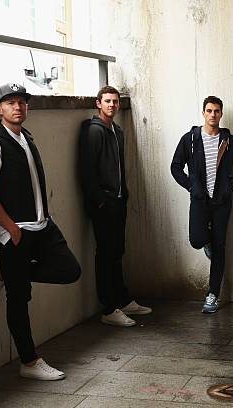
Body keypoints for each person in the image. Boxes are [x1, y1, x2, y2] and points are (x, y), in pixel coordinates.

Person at [0, 83, 81, 380]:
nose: (18, 106)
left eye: (22, 102)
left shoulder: (25, 137)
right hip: (13, 231)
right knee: (19, 299)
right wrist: (10, 228)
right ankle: (29, 362)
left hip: (41, 224)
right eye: (10, 102)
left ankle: (5, 275)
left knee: (69, 270)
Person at [79, 85, 152, 327]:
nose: (112, 105)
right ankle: (109, 308)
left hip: (118, 201)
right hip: (103, 204)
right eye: (107, 101)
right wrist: (100, 200)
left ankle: (122, 298)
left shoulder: (117, 131)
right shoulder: (93, 131)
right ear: (98, 103)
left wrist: (124, 196)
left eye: (115, 101)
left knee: (118, 251)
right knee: (106, 255)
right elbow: (87, 171)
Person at [171, 95, 233, 313]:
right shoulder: (190, 139)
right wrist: (190, 186)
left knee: (219, 248)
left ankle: (212, 294)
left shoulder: (230, 141)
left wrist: (232, 187)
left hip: (222, 203)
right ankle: (206, 242)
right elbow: (176, 167)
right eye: (209, 111)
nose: (213, 115)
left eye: (217, 111)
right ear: (203, 113)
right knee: (197, 240)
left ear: (221, 114)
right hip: (199, 200)